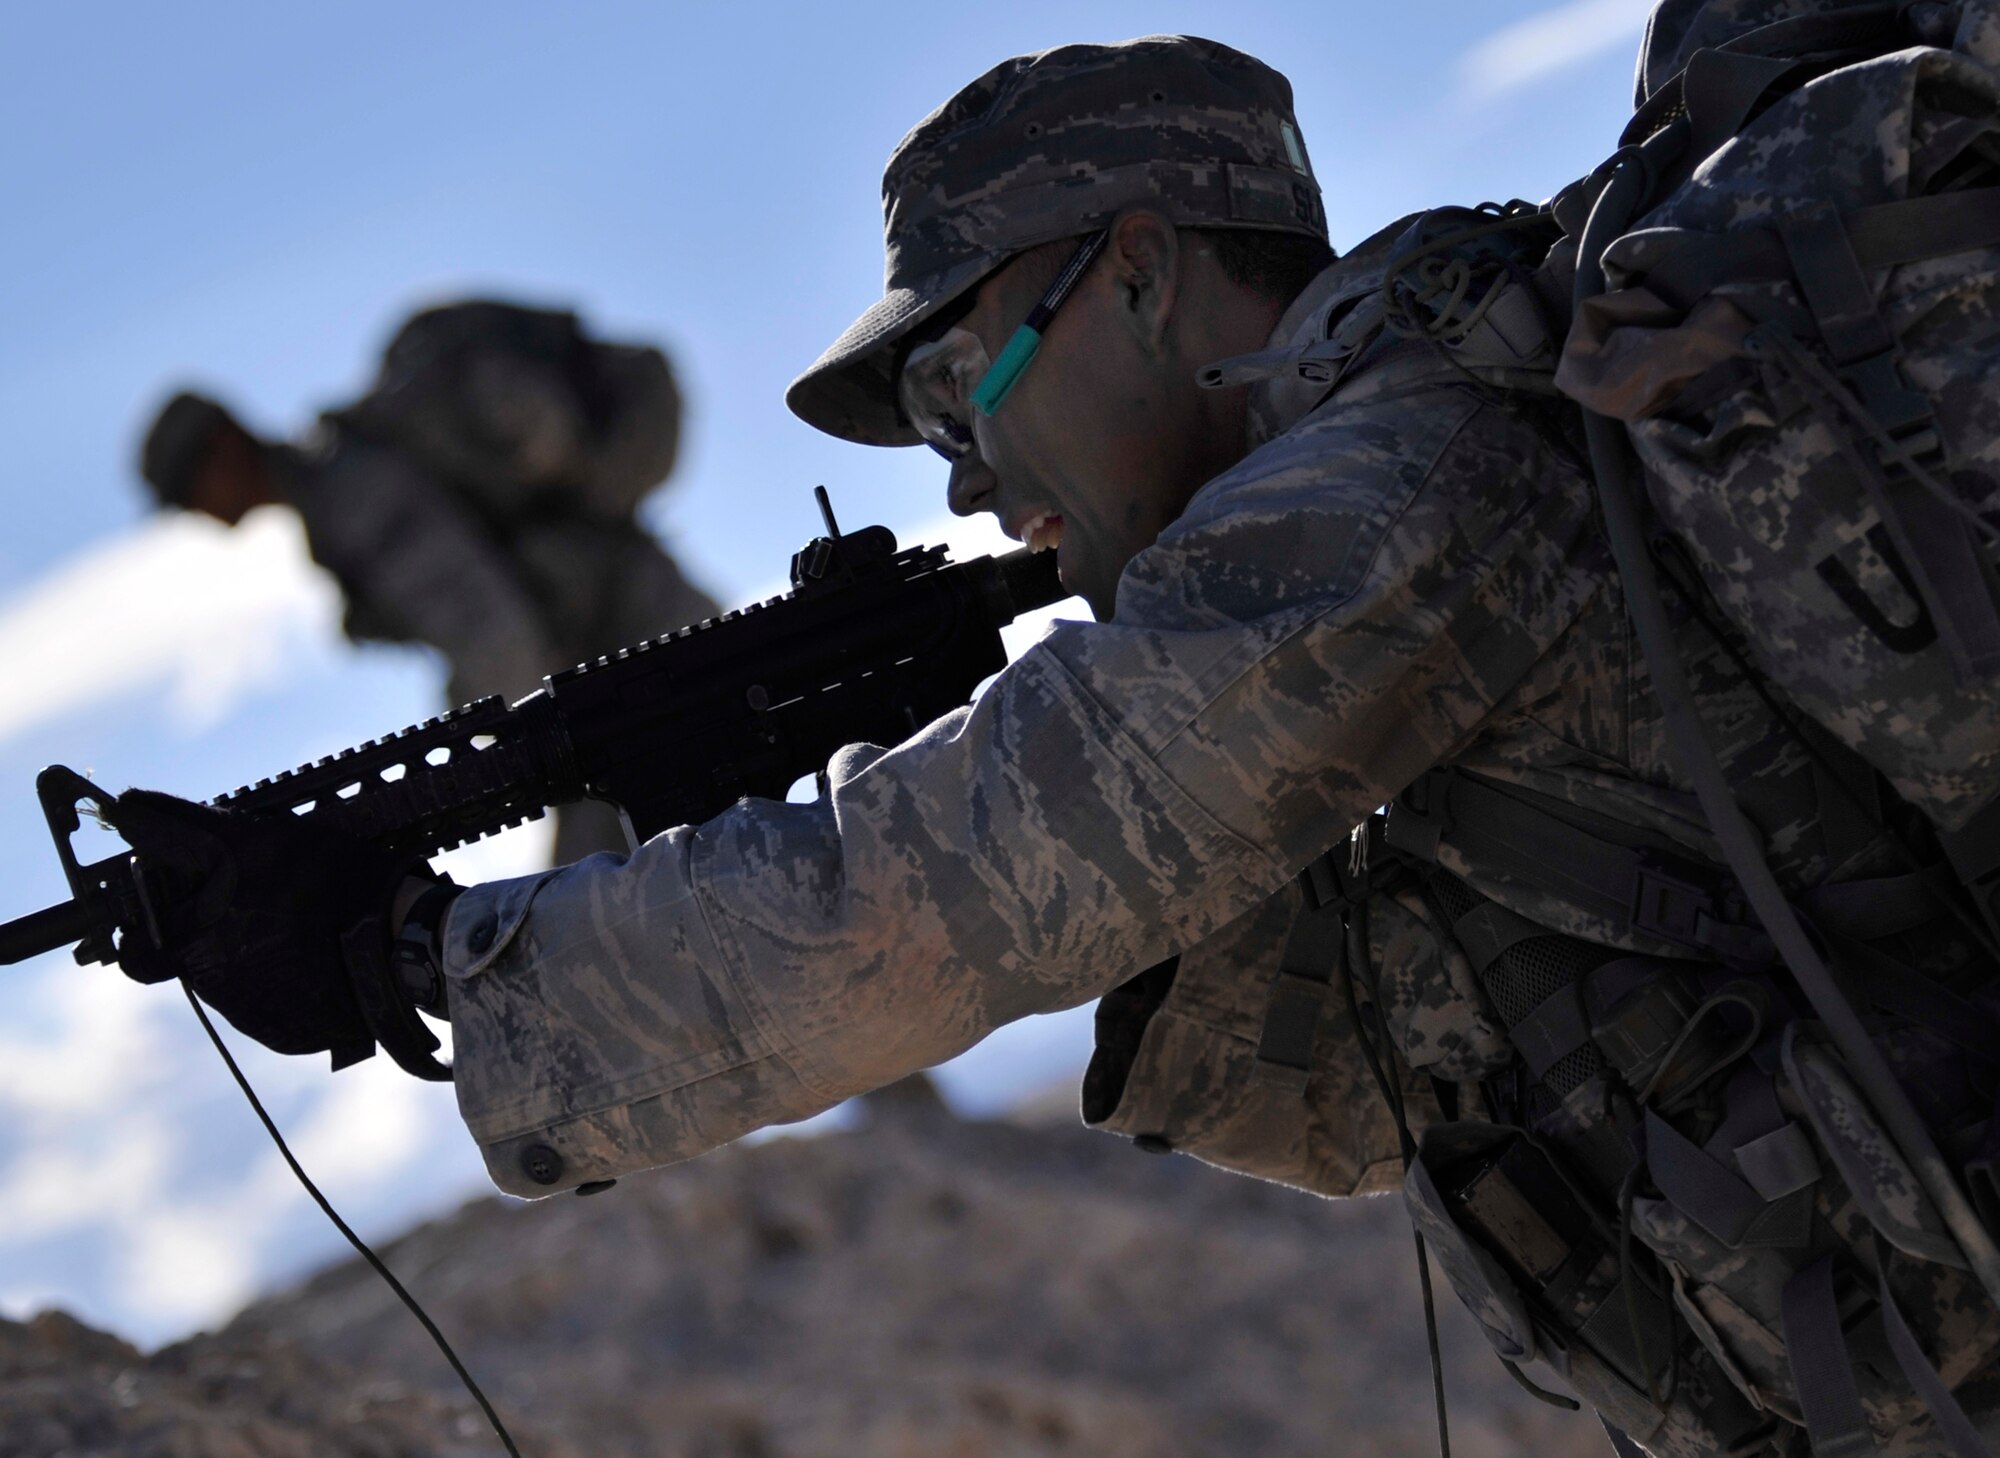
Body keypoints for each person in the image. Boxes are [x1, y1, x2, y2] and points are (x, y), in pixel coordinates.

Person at [108, 27, 2000, 1456]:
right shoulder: (1352, 544)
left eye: (954, 373)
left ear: (1150, 272)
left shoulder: (1398, 489)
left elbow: (947, 891)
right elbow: (1365, 1081)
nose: (956, 465)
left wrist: (434, 956)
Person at [137, 302, 721, 862]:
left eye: (189, 492)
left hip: (638, 670)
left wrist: (470, 765)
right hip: (637, 662)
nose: (198, 513)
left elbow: (493, 634)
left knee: (604, 916)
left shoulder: (353, 499)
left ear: (220, 451)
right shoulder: (343, 489)